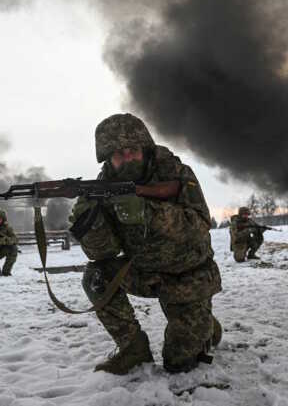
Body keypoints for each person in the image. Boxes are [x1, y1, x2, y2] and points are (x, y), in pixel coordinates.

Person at [70, 113, 222, 375]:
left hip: (188, 276)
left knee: (179, 364)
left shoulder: (175, 172)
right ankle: (133, 349)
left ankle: (204, 323)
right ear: (107, 158)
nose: (127, 157)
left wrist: (147, 212)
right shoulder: (103, 186)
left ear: (145, 147)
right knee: (96, 276)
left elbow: (199, 225)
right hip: (143, 272)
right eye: (118, 154)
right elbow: (103, 253)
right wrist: (90, 224)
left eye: (132, 150)